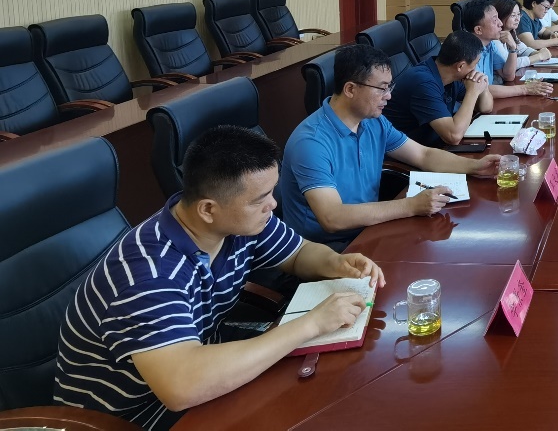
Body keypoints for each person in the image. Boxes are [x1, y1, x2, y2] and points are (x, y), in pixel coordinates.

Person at [54, 125, 387, 430]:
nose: (273, 204)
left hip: (203, 363)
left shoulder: (240, 221)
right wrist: (311, 324)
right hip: (132, 415)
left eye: (271, 192)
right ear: (208, 209)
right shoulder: (150, 274)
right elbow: (181, 387)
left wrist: (336, 263)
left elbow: (298, 254)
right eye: (260, 200)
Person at [279, 42, 499, 246]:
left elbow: (423, 155)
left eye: (389, 86)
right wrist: (411, 205)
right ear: (350, 89)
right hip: (327, 250)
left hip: (369, 230)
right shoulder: (311, 142)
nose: (389, 96)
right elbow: (332, 217)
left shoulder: (373, 121)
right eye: (382, 88)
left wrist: (476, 167)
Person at [462, 0, 553, 97]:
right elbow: (480, 90)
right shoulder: (467, 53)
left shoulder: (490, 45)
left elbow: (508, 76)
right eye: (495, 20)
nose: (500, 23)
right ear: (478, 30)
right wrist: (525, 89)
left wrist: (513, 49)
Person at [493, 0, 553, 77]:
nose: (517, 19)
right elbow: (509, 65)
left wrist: (538, 53)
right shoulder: (495, 39)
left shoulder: (511, 32)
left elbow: (523, 50)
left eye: (518, 14)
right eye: (513, 15)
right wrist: (539, 56)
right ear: (501, 16)